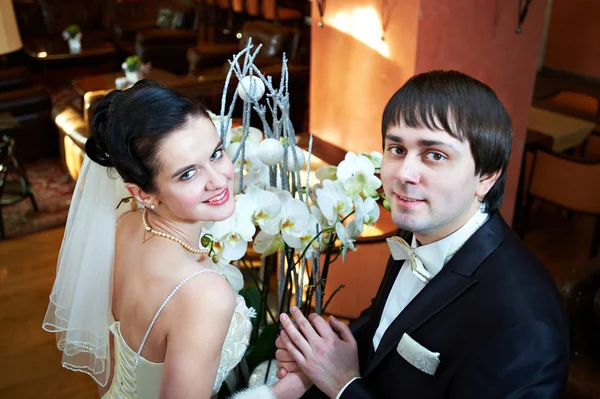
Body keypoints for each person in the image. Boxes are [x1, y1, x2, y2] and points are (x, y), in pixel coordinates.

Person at [275, 70, 569, 398]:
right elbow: (390, 324)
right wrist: (319, 352)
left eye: (435, 155)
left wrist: (344, 386)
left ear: (486, 177)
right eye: (397, 149)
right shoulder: (422, 228)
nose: (404, 174)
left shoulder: (525, 327)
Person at [43, 80, 310, 399]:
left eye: (216, 153)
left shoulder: (123, 223)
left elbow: (113, 360)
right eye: (187, 174)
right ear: (142, 193)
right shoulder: (203, 294)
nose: (218, 179)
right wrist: (283, 392)